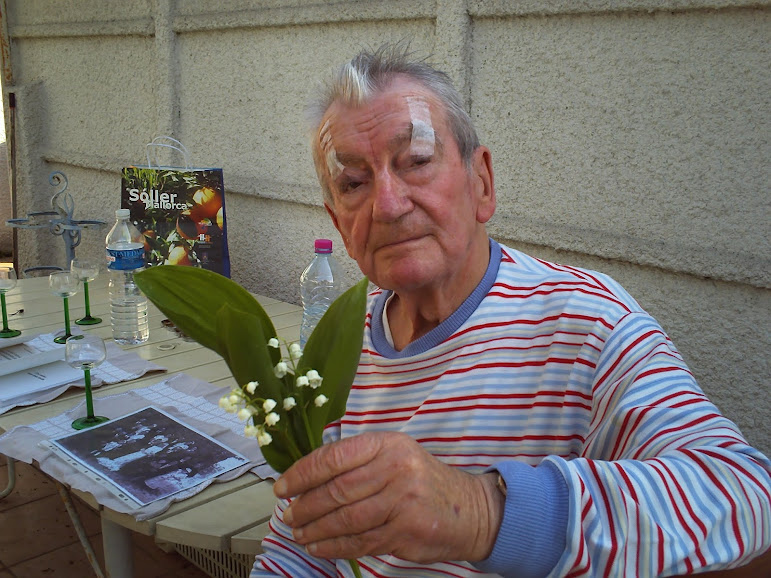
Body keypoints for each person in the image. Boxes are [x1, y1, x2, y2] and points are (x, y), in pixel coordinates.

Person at [250, 44, 771, 577]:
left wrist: (482, 513)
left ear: (481, 183)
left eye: (417, 162)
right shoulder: (336, 350)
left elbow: (742, 492)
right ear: (339, 223)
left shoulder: (587, 323)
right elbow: (298, 547)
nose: (387, 203)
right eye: (353, 183)